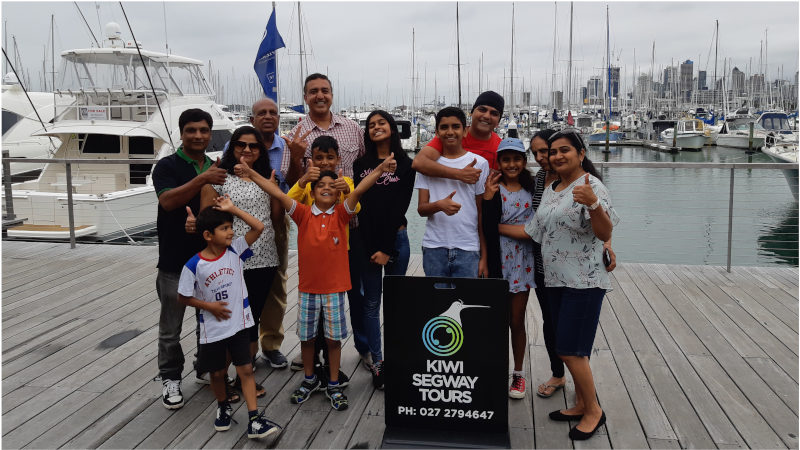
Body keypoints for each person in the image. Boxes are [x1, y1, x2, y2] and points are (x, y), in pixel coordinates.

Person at [233, 152, 397, 411]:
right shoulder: (302, 214)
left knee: (333, 340)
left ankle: (333, 382)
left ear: (338, 193)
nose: (327, 189)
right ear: (312, 190)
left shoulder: (342, 214)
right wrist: (251, 173)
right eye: (321, 185)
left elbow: (360, 191)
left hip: (334, 291)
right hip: (308, 290)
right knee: (307, 339)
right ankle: (309, 379)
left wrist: (380, 169)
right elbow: (277, 193)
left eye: (332, 186)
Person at [525, 129, 619, 441]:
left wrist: (593, 204)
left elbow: (604, 230)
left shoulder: (592, 187)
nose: (557, 156)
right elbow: (534, 231)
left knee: (569, 350)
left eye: (565, 150)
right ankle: (580, 403)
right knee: (572, 348)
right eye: (553, 152)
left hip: (584, 281)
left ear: (581, 154)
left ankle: (594, 411)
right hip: (554, 279)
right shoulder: (552, 187)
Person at [279, 73, 365, 375]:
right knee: (313, 298)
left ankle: (358, 351)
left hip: (346, 229)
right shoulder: (297, 132)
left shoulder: (354, 129)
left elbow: (361, 174)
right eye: (313, 91)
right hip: (312, 231)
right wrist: (297, 161)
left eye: (325, 90)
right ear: (305, 96)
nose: (320, 95)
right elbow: (290, 185)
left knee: (349, 295)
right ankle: (311, 358)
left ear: (332, 93)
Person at [177, 196, 280, 439]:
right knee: (217, 373)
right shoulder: (194, 265)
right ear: (207, 235)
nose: (231, 232)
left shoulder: (235, 251)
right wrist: (209, 306)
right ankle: (223, 406)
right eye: (224, 228)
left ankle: (254, 418)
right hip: (213, 329)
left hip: (239, 325)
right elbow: (183, 296)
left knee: (246, 370)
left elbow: (259, 227)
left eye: (231, 227)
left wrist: (233, 209)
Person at [192, 126, 281, 398]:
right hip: (230, 259)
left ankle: (246, 374)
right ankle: (219, 374)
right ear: (232, 147)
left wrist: (275, 190)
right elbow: (206, 220)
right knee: (229, 320)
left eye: (253, 146)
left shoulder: (266, 177)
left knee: (251, 319)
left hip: (264, 256)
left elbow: (276, 217)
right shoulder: (219, 178)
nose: (247, 150)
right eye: (241, 144)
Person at [152, 108, 227, 410]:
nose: (198, 136)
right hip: (174, 261)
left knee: (207, 322)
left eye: (203, 130)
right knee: (171, 327)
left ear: (210, 133)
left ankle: (205, 368)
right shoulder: (167, 166)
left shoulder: (216, 166)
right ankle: (170, 377)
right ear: (181, 133)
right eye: (191, 130)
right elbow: (168, 201)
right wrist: (203, 179)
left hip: (209, 261)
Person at [351, 110, 415, 389]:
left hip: (396, 241)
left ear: (392, 128)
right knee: (371, 303)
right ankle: (378, 362)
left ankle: (399, 357)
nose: (376, 127)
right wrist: (371, 246)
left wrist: (387, 248)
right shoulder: (360, 163)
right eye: (371, 124)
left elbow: (399, 207)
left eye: (382, 123)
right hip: (367, 241)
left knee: (398, 303)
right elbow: (361, 209)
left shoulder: (406, 164)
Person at [481, 137, 536, 399]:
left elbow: (535, 230)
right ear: (499, 162)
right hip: (498, 259)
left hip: (523, 262)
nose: (511, 164)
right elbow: (485, 227)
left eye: (516, 159)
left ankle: (518, 373)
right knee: (494, 321)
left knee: (517, 321)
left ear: (524, 162)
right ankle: (493, 370)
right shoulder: (493, 187)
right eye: (506, 159)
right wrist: (489, 198)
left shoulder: (533, 187)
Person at [416, 106, 490, 279]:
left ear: (465, 131)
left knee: (467, 303)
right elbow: (421, 209)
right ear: (437, 132)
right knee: (436, 305)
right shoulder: (427, 166)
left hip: (468, 248)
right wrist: (439, 205)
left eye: (456, 127)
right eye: (444, 127)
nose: (450, 132)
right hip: (434, 247)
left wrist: (484, 256)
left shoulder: (479, 163)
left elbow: (481, 213)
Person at [250, 98, 291, 370]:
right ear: (252, 119)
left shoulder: (286, 148)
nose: (268, 116)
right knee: (243, 284)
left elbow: (293, 185)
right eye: (261, 113)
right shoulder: (239, 145)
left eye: (273, 113)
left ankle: (271, 344)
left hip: (276, 221)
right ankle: (246, 347)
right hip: (243, 221)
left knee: (276, 283)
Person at [412, 91, 504, 185]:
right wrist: (459, 174)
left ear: (498, 122)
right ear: (471, 113)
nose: (486, 116)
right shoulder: (452, 138)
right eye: (482, 110)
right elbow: (419, 162)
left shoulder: (502, 147)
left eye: (494, 113)